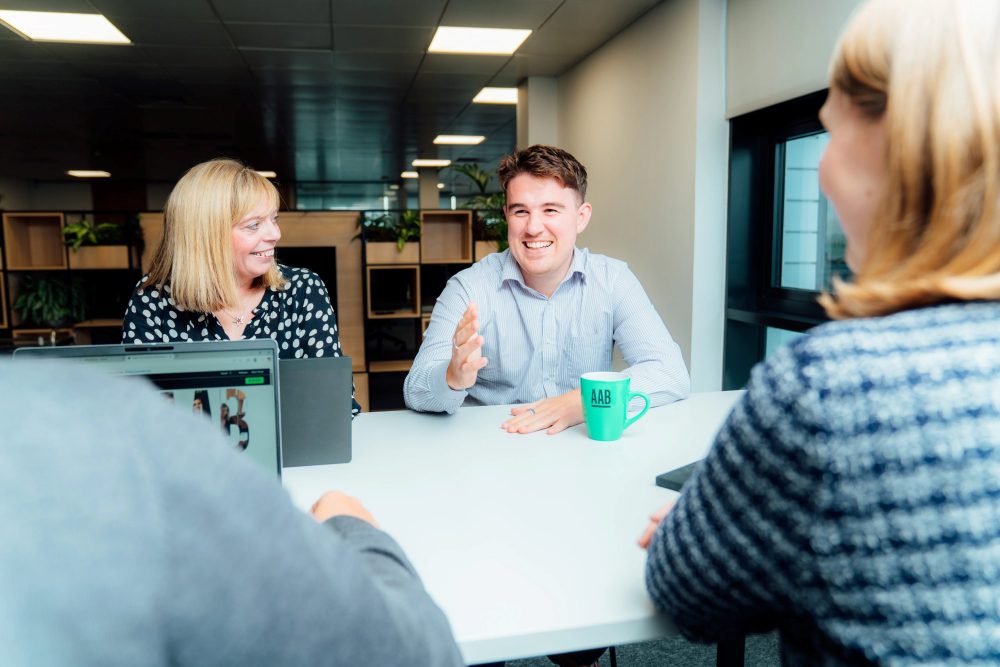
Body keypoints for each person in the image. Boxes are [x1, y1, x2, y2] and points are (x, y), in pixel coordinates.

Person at [640, 0, 1000, 663]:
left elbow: (685, 589)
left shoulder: (828, 384)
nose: (824, 170)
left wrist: (730, 540)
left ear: (906, 150)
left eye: (830, 133)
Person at [0, 359, 463, 666]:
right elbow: (416, 653)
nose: (275, 235)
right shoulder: (129, 431)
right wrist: (357, 531)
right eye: (254, 222)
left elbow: (342, 406)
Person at [404, 144, 690, 435]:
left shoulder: (613, 280)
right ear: (506, 215)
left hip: (581, 448)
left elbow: (670, 372)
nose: (533, 227)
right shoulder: (468, 287)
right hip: (494, 447)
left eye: (550, 210)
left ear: (581, 217)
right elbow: (416, 390)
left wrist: (581, 401)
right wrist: (452, 376)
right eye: (520, 211)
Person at [122, 158, 360, 416]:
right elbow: (139, 412)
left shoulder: (303, 290)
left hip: (292, 453)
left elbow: (337, 402)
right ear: (206, 235)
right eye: (254, 225)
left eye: (273, 219)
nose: (275, 234)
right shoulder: (153, 299)